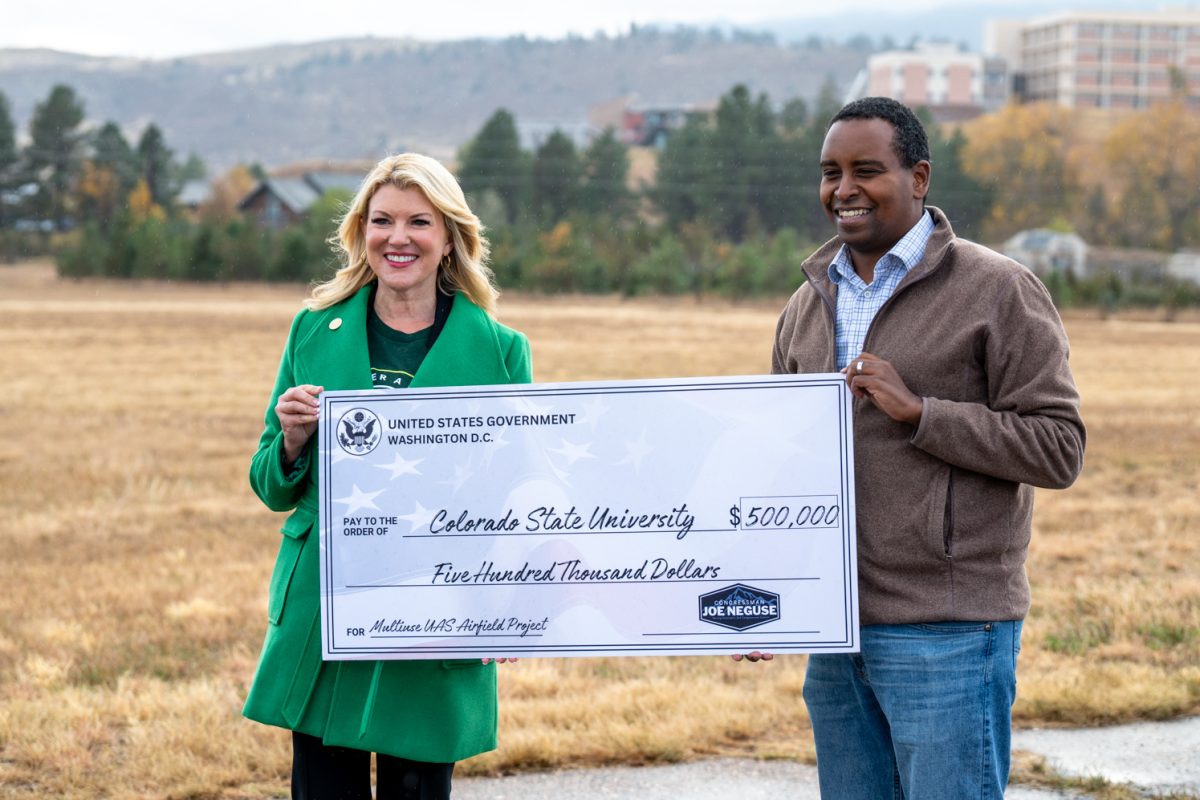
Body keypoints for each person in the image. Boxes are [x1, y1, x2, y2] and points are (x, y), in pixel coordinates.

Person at [768, 97, 1085, 797]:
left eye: (866, 171)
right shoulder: (806, 303)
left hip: (948, 629)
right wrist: (775, 593)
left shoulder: (997, 289)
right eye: (830, 173)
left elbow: (1059, 447)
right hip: (836, 634)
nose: (843, 190)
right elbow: (782, 468)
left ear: (919, 177)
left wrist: (922, 413)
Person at [242, 153, 531, 800]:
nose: (398, 238)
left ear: (451, 237)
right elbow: (270, 485)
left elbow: (517, 496)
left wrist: (512, 602)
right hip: (327, 606)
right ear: (361, 232)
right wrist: (291, 441)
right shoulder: (315, 330)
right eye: (382, 221)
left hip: (438, 607)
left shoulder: (501, 351)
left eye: (419, 222)